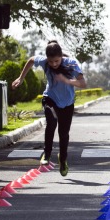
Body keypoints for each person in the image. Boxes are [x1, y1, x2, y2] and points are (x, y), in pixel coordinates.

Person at [12, 40, 86, 177]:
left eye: (57, 61)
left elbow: (83, 83)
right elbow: (31, 60)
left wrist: (67, 81)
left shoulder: (70, 63)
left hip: (67, 103)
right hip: (50, 98)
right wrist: (21, 78)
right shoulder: (44, 61)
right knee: (51, 122)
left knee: (63, 133)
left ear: (61, 57)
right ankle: (46, 154)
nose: (53, 64)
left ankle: (62, 159)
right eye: (51, 62)